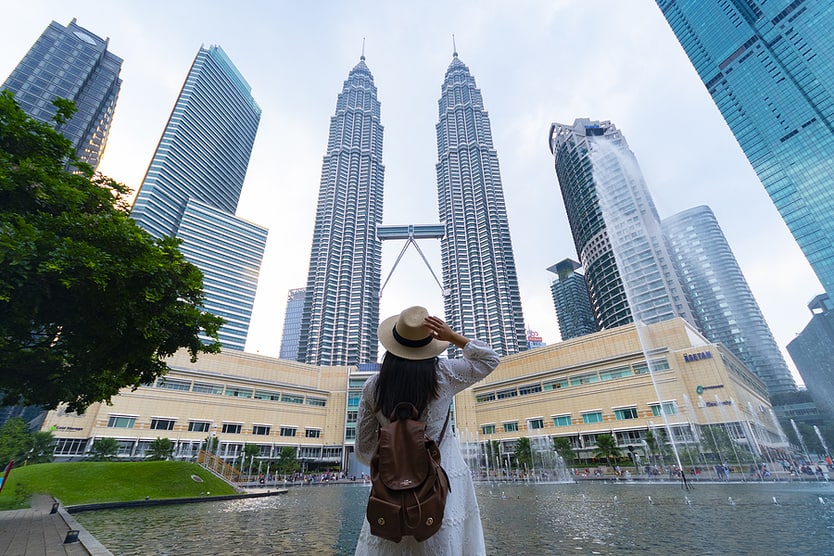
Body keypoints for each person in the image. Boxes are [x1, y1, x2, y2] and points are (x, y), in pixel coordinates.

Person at [354, 306, 501, 555]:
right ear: (430, 343)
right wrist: (452, 336)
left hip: (390, 488)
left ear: (392, 345)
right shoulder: (444, 374)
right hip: (443, 477)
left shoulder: (373, 386)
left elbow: (363, 448)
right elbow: (490, 360)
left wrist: (397, 464)